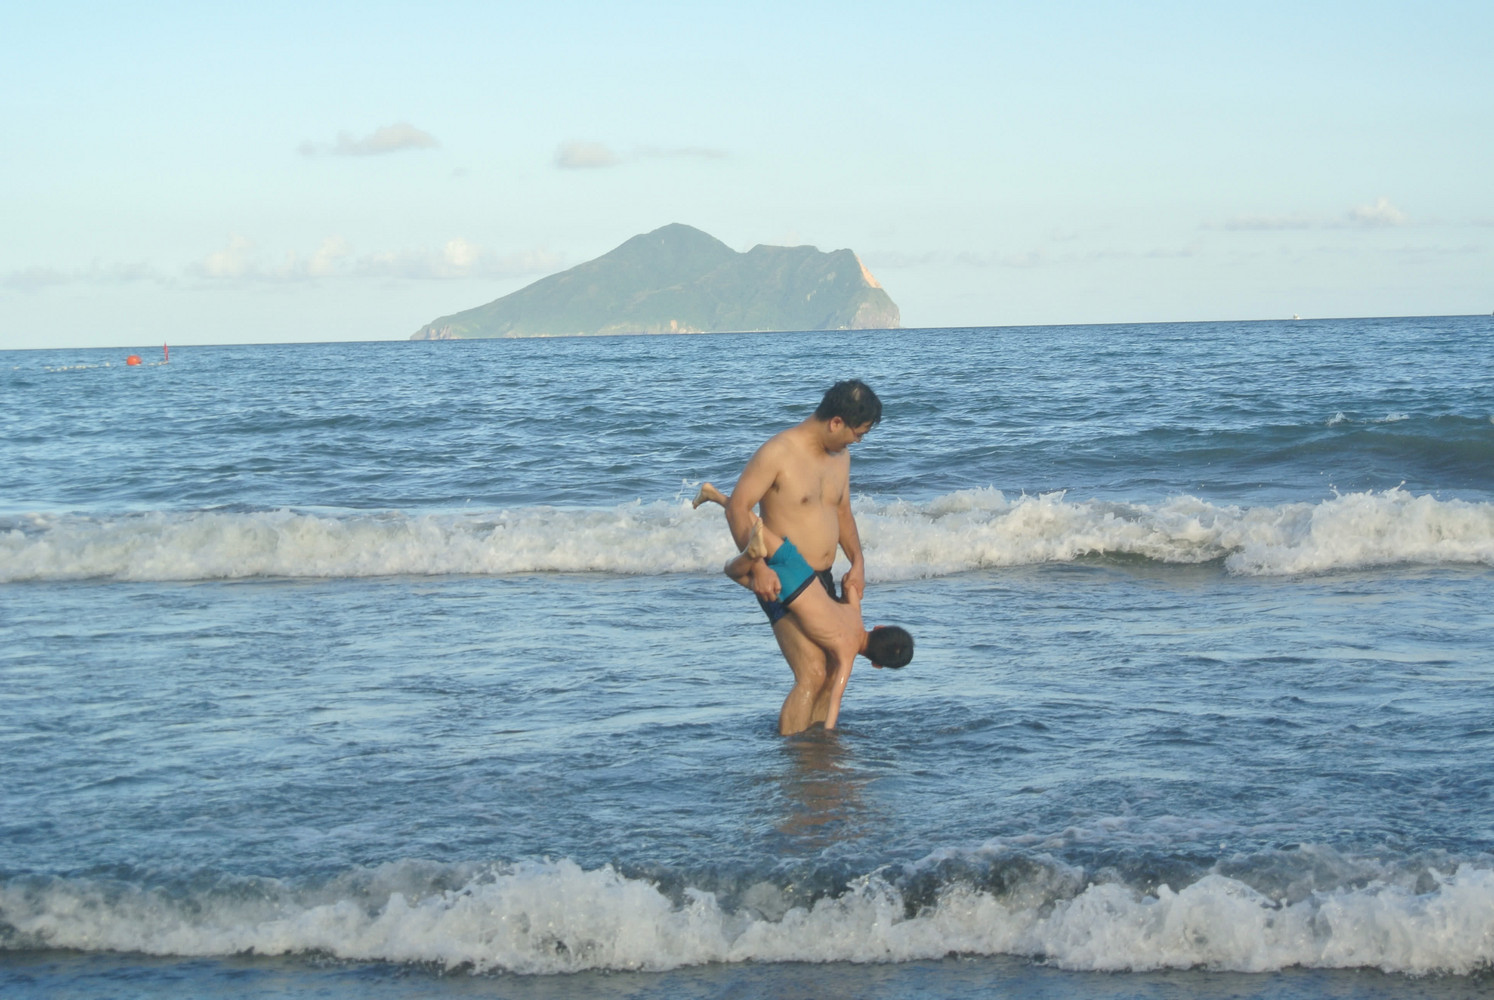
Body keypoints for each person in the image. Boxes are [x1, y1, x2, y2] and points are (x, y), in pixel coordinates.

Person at [707, 379, 886, 734]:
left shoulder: (841, 457)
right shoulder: (778, 453)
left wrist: (858, 562)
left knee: (832, 669)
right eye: (857, 433)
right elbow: (737, 508)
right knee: (812, 672)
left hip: (823, 578)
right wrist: (758, 567)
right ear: (836, 422)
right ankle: (793, 753)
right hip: (780, 578)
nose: (857, 441)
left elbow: (842, 512)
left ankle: (817, 749)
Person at [695, 485, 913, 731]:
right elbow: (835, 700)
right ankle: (748, 556)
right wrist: (829, 732)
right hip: (789, 592)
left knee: (752, 521)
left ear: (879, 627)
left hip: (801, 569)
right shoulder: (846, 657)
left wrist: (852, 578)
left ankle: (717, 497)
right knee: (737, 574)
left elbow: (849, 586)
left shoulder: (855, 614)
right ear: (877, 664)